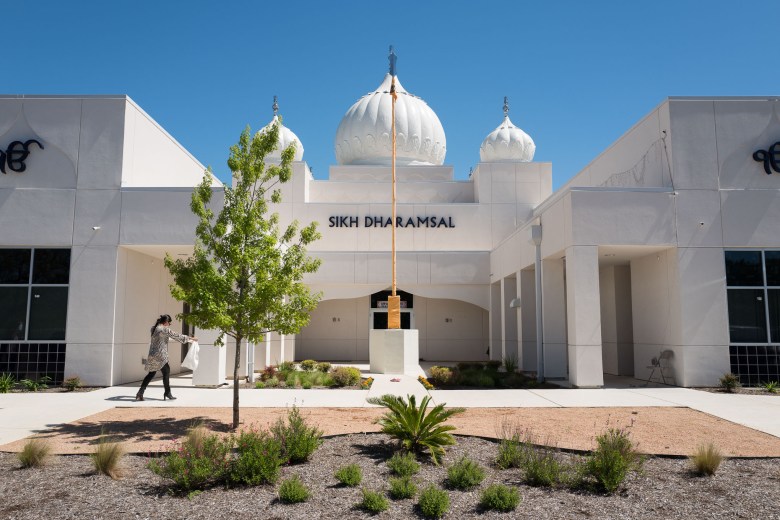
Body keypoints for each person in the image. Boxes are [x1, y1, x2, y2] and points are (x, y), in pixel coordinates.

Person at [135, 314, 197, 401]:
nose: (169, 325)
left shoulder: (153, 328)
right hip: (161, 356)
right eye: (169, 323)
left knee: (151, 374)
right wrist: (190, 338)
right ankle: (167, 393)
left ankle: (140, 393)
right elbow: (176, 335)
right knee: (166, 373)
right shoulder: (164, 329)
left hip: (152, 355)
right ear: (166, 322)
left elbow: (164, 338)